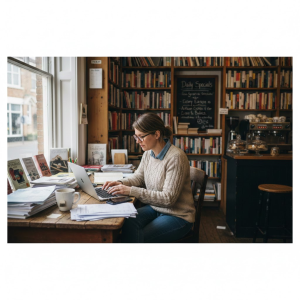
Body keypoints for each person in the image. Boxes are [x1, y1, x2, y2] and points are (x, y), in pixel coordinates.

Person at [102, 113, 196, 243]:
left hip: (178, 215)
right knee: (127, 222)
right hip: (156, 208)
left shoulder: (176, 157)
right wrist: (119, 183)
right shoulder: (148, 153)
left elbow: (168, 199)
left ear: (157, 135)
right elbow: (139, 177)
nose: (137, 141)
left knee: (138, 237)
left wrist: (130, 191)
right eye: (136, 136)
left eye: (141, 137)